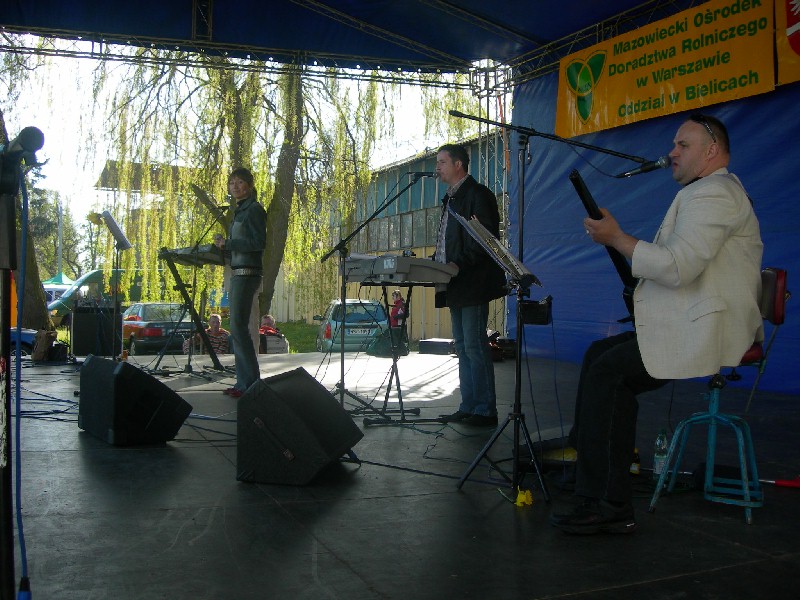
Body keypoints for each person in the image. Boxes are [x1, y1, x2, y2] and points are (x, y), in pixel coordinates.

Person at [551, 114, 763, 535]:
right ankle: (591, 471)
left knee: (610, 373)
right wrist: (619, 241)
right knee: (599, 355)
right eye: (674, 144)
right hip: (692, 320)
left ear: (711, 151)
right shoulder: (706, 191)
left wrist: (616, 238)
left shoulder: (714, 193)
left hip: (710, 330)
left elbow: (677, 267)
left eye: (683, 145)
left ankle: (608, 502)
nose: (672, 152)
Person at [434, 143, 507, 427]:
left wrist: (458, 264)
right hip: (454, 281)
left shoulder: (478, 195)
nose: (437, 168)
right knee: (463, 346)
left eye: (442, 162)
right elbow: (447, 241)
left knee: (475, 346)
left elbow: (484, 239)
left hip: (472, 281)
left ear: (458, 165)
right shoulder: (451, 198)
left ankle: (485, 410)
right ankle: (469, 405)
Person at [213, 167, 267, 398]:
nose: (235, 186)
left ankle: (251, 384)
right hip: (237, 272)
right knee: (237, 328)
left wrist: (229, 244)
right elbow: (239, 245)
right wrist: (221, 248)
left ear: (249, 185)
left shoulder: (254, 209)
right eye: (232, 182)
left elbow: (258, 243)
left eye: (240, 182)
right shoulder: (238, 211)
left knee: (238, 327)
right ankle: (243, 382)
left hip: (248, 273)